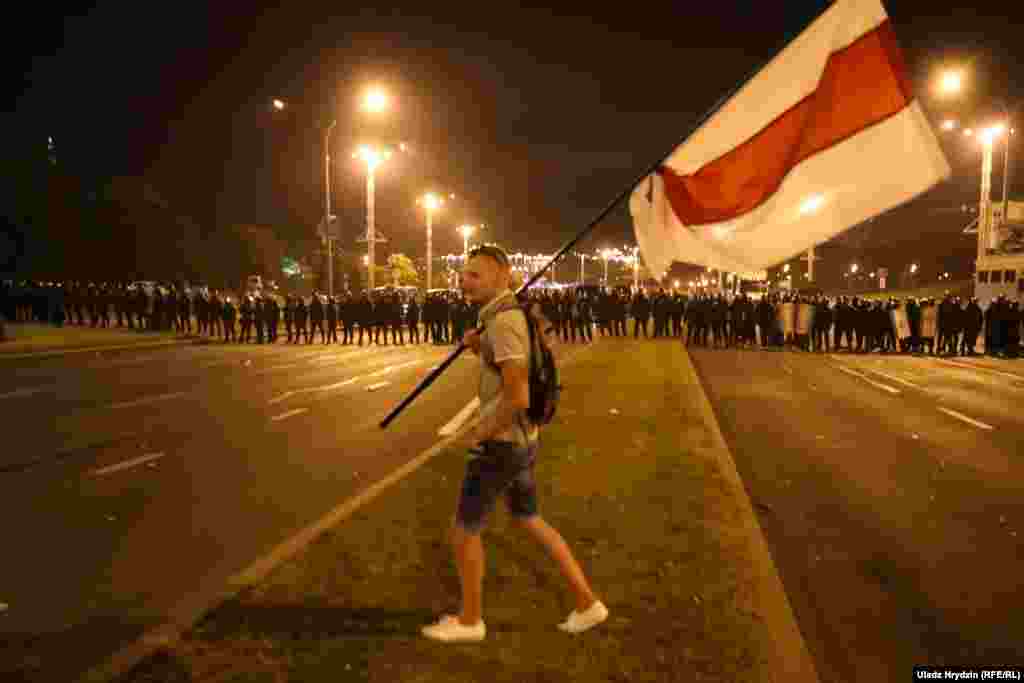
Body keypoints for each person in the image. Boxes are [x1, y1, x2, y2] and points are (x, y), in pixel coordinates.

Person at [422, 244, 607, 643]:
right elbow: (511, 367)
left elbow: (518, 395)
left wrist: (482, 431)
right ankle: (588, 604)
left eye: (475, 274)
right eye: (464, 273)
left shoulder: (504, 321)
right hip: (521, 440)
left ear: (503, 276)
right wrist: (481, 347)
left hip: (503, 442)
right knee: (529, 519)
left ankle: (470, 621)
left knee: (465, 531)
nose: (464, 280)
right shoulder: (504, 318)